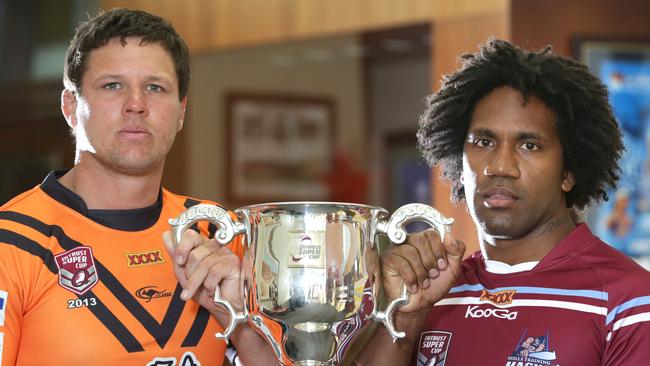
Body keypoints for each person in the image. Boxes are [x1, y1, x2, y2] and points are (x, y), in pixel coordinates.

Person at [0, 8, 274, 365]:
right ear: (70, 106)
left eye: (155, 87)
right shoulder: (13, 241)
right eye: (112, 85)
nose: (136, 105)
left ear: (181, 112)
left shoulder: (219, 233)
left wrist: (239, 322)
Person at [358, 39, 650, 365]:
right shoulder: (432, 292)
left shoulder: (630, 301)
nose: (499, 166)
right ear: (459, 159)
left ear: (569, 171)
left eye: (529, 145)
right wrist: (407, 316)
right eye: (484, 141)